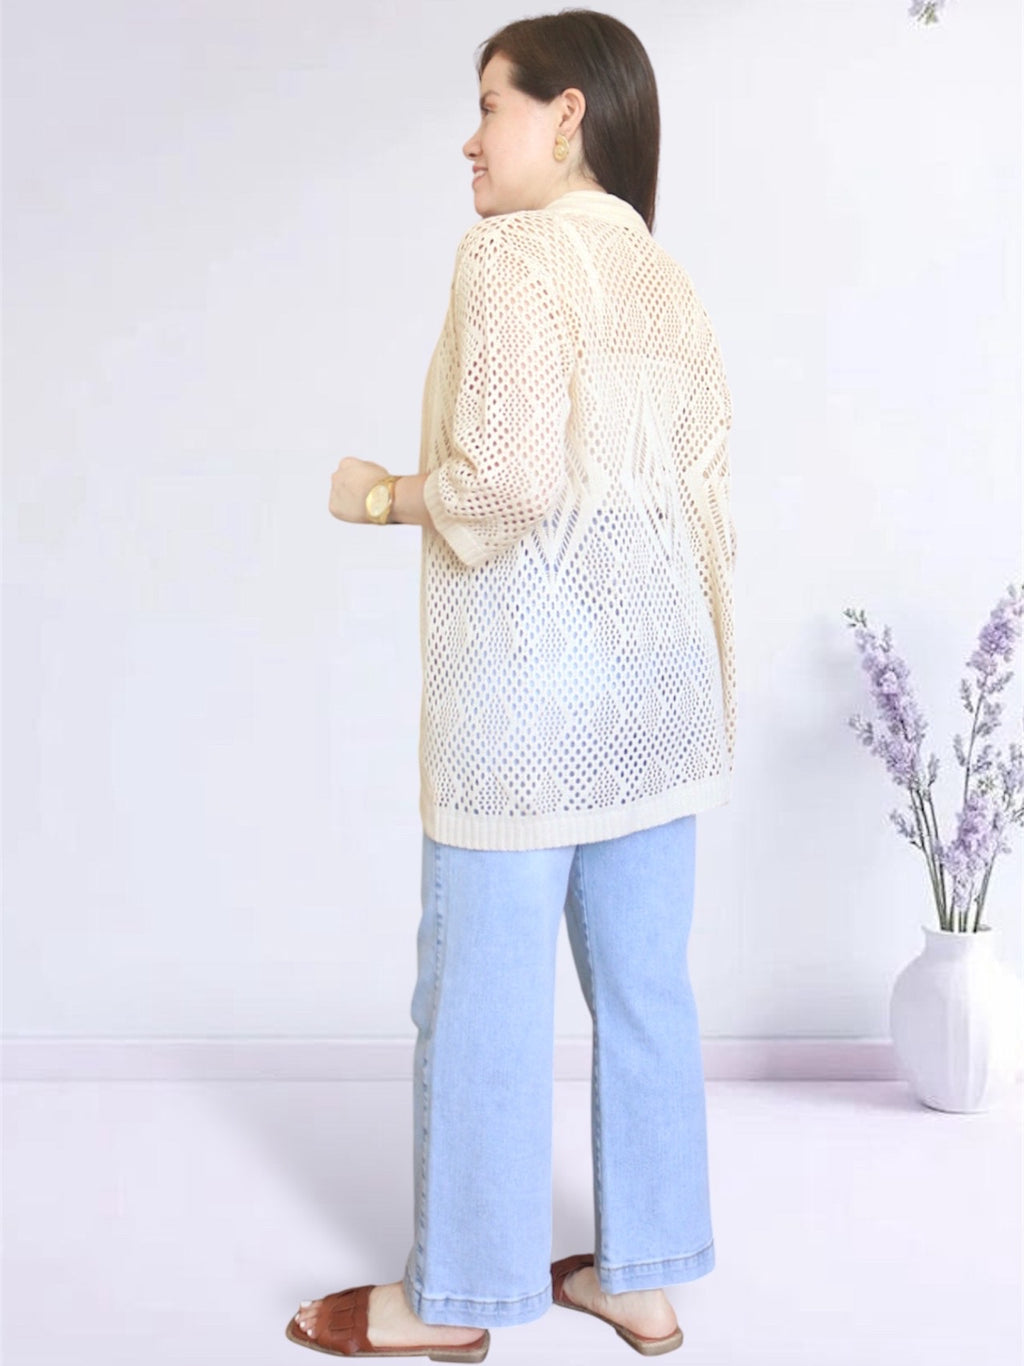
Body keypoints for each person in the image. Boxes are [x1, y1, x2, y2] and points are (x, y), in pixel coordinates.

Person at [287, 9, 736, 1360]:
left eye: (492, 105)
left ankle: (456, 1300)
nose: (472, 140)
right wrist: (704, 682)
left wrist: (379, 494)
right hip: (659, 704)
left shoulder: (509, 256)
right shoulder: (664, 275)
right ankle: (642, 1276)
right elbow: (708, 503)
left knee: (479, 999)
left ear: (568, 115)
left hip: (525, 712)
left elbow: (504, 488)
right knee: (646, 992)